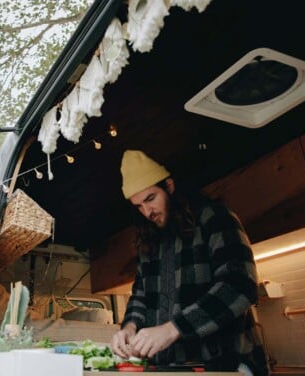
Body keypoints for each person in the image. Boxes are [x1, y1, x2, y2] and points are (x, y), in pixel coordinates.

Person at [110, 150, 269, 376]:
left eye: (150, 199)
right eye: (138, 206)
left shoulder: (213, 217)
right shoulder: (149, 242)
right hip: (172, 368)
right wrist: (129, 327)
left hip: (227, 365)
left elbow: (240, 285)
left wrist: (174, 329)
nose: (147, 212)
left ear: (169, 186)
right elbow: (140, 297)